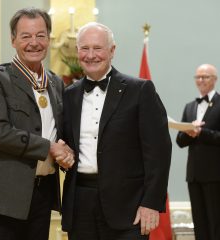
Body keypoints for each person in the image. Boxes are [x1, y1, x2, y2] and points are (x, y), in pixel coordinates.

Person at [61, 22, 172, 240]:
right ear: (77, 52)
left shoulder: (140, 90)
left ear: (112, 51)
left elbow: (159, 152)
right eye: (85, 48)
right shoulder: (68, 95)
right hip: (80, 204)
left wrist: (151, 202)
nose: (91, 55)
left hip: (129, 207)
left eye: (98, 48)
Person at [0, 7, 74, 240]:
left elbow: (60, 132)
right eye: (26, 36)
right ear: (13, 40)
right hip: (3, 196)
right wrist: (49, 147)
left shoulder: (56, 83)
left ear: (49, 39)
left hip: (42, 193)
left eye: (40, 35)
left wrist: (66, 153)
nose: (34, 43)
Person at [176, 64, 220, 240]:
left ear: (214, 79)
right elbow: (180, 141)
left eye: (205, 77)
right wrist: (189, 132)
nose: (201, 80)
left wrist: (202, 132)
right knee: (199, 221)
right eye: (198, 77)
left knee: (216, 221)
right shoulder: (190, 107)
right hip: (194, 174)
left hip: (215, 174)